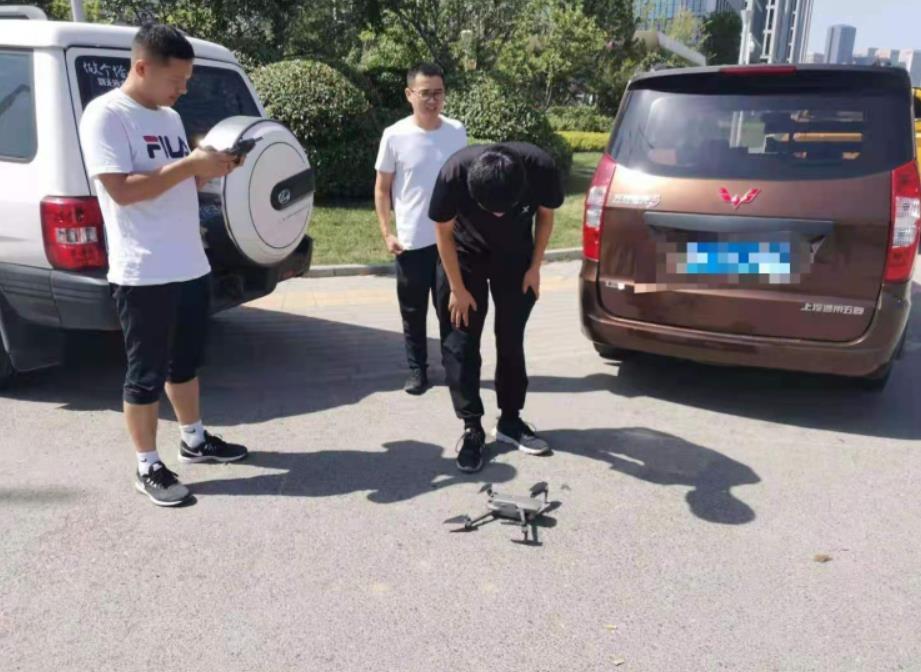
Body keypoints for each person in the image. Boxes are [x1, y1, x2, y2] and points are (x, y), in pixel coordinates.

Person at [79, 24, 248, 507]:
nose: (183, 89)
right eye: (176, 80)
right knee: (145, 374)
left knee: (185, 364)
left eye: (187, 80)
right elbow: (122, 190)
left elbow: (176, 184)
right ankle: (147, 464)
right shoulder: (106, 115)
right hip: (143, 271)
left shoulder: (170, 118)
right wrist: (190, 165)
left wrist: (209, 169)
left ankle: (193, 440)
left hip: (189, 263)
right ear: (142, 67)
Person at [429, 142, 564, 473]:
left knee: (511, 337)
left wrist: (535, 267)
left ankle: (510, 421)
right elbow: (442, 232)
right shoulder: (453, 173)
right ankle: (471, 427)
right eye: (490, 209)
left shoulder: (541, 168)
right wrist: (457, 288)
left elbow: (545, 217)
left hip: (516, 258)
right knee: (461, 342)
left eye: (506, 209)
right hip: (464, 256)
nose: (498, 215)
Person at [374, 63, 467, 395]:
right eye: (425, 93)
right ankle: (417, 371)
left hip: (451, 242)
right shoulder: (394, 135)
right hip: (411, 241)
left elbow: (464, 183)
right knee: (413, 311)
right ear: (409, 94)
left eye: (438, 93)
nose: (432, 100)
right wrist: (387, 232)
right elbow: (382, 189)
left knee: (450, 310)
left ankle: (454, 369)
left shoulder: (456, 131)